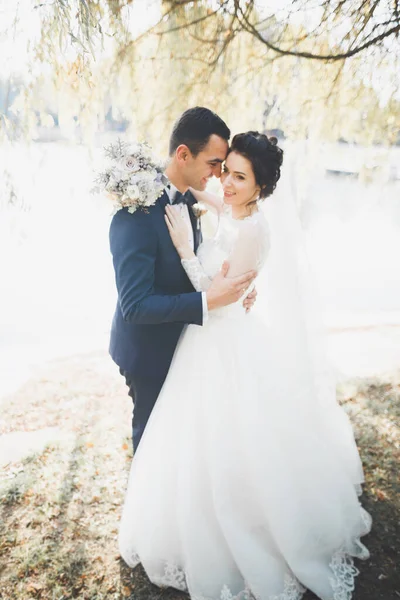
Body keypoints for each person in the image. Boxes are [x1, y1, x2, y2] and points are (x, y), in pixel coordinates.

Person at [118, 131, 371, 600]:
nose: (225, 183)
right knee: (196, 439)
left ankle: (240, 530)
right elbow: (206, 198)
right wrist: (156, 181)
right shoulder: (236, 213)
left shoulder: (254, 230)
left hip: (222, 338)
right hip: (209, 337)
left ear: (261, 187)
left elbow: (218, 295)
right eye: (225, 170)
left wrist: (186, 250)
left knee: (228, 439)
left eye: (238, 177)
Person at [109, 107, 257, 451]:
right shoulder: (137, 209)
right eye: (213, 163)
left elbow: (198, 265)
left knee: (183, 449)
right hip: (149, 353)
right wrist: (209, 301)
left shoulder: (188, 196)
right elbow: (135, 305)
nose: (219, 175)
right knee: (152, 449)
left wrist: (236, 287)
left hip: (186, 347)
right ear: (183, 154)